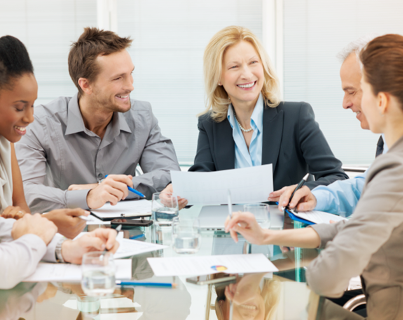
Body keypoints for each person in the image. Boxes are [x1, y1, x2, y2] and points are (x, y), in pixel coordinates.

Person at [225, 34, 403, 319]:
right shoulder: (392, 155)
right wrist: (269, 236)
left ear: (381, 100)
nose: (346, 104)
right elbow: (355, 223)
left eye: (358, 90)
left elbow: (326, 278)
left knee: (282, 307)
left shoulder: (396, 167)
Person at [162, 26, 347, 208]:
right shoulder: (210, 124)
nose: (247, 74)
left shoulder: (296, 117)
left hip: (286, 231)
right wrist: (176, 191)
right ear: (218, 77)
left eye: (253, 62)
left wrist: (302, 190)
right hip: (231, 232)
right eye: (234, 66)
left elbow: (336, 177)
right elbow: (201, 179)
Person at [15, 27, 180, 213]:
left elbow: (170, 176)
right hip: (66, 233)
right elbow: (25, 194)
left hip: (128, 232)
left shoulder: (143, 116)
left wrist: (103, 187)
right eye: (118, 78)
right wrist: (89, 197)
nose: (130, 86)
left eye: (131, 73)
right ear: (86, 85)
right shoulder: (40, 123)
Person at [275, 35, 389, 217]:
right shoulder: (390, 143)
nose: (345, 104)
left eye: (351, 92)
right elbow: (366, 187)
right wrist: (317, 197)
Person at [0, 34, 92, 238]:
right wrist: (48, 221)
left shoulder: (7, 142)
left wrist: (24, 222)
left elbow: (22, 210)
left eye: (32, 105)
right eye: (19, 107)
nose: (30, 118)